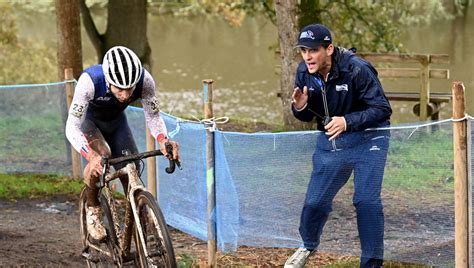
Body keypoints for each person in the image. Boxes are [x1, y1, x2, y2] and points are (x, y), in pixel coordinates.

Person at [284, 24, 392, 268]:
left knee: (366, 201)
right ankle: (307, 245)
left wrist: (347, 121)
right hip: (334, 139)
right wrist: (300, 108)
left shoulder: (357, 69)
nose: (307, 56)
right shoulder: (304, 72)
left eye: (313, 50)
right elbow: (307, 115)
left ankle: (371, 265)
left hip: (370, 139)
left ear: (329, 49)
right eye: (303, 51)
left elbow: (383, 109)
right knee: (315, 202)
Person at [65, 46, 180, 241]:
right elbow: (72, 126)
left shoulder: (145, 81)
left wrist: (163, 139)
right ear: (108, 81)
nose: (126, 95)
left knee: (131, 169)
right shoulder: (90, 82)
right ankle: (93, 208)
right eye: (120, 88)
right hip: (89, 123)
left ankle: (141, 232)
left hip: (117, 124)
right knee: (102, 155)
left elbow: (153, 117)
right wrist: (90, 156)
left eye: (130, 88)